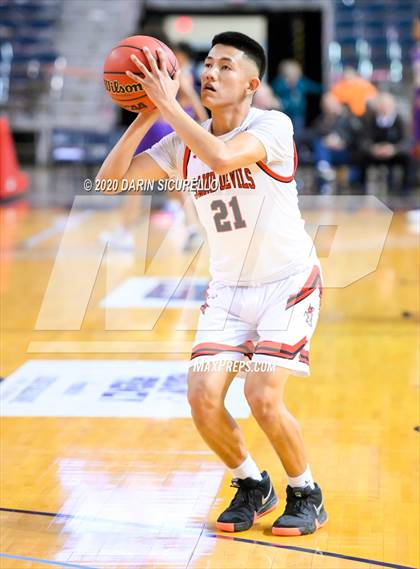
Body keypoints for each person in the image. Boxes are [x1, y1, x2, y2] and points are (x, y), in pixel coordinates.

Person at [96, 31, 327, 536]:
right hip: (229, 288)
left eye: (225, 66)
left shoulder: (272, 126)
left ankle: (306, 490)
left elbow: (222, 158)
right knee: (202, 398)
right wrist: (145, 115)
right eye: (207, 65)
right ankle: (251, 483)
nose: (210, 73)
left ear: (251, 83)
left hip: (287, 282)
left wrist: (169, 107)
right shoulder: (182, 142)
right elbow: (110, 181)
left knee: (263, 396)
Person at [359, 93, 411, 194]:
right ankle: (361, 187)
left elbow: (407, 141)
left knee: (408, 158)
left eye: (387, 106)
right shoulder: (370, 119)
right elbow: (363, 140)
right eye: (381, 105)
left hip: (394, 153)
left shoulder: (400, 120)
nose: (384, 108)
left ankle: (405, 189)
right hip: (375, 153)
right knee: (361, 156)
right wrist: (373, 148)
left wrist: (394, 149)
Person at [312, 93, 362, 193]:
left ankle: (324, 167)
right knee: (319, 143)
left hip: (344, 151)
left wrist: (343, 142)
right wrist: (327, 140)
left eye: (330, 104)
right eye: (326, 105)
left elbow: (355, 135)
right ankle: (324, 169)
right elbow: (316, 133)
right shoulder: (321, 120)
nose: (328, 108)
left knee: (321, 149)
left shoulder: (347, 117)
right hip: (328, 151)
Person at [271, 59, 322, 138]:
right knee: (283, 133)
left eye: (294, 72)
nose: (292, 75)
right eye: (289, 72)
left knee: (298, 134)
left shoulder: (301, 82)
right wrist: (287, 86)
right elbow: (274, 90)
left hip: (298, 114)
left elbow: (316, 88)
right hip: (284, 113)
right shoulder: (280, 82)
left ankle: (296, 148)